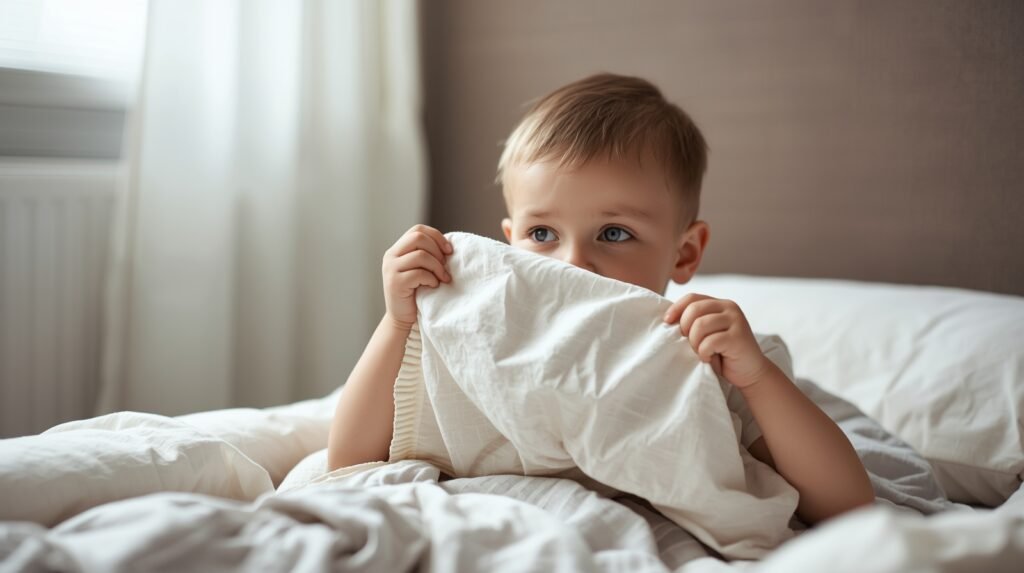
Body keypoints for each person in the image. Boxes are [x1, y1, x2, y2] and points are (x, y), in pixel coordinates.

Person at [328, 73, 874, 525]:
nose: (572, 264)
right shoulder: (476, 330)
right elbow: (350, 460)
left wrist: (757, 378)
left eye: (614, 234)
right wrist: (398, 324)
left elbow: (847, 507)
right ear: (510, 238)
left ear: (684, 254)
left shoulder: (704, 351)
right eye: (541, 234)